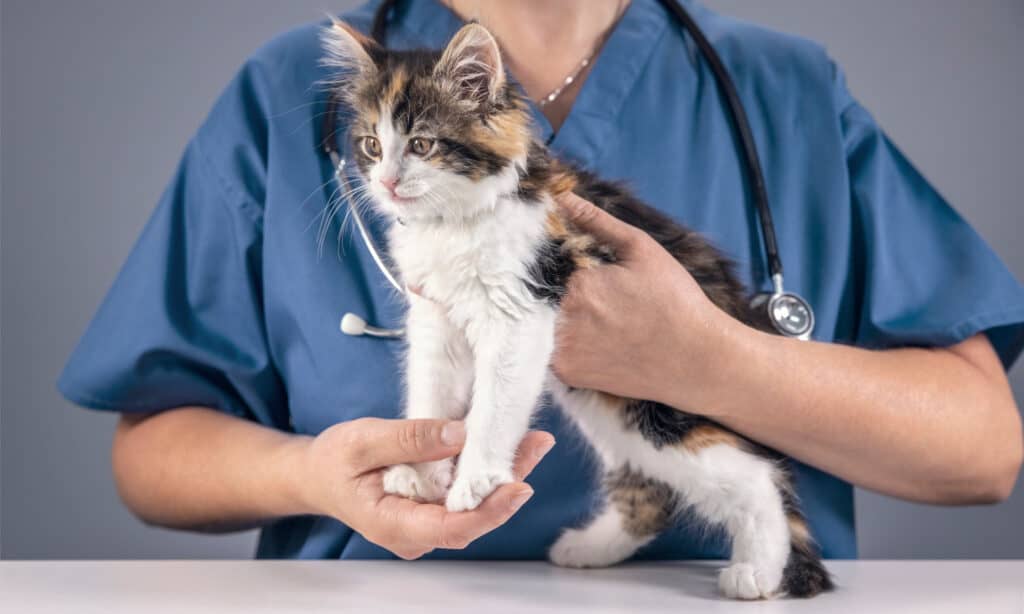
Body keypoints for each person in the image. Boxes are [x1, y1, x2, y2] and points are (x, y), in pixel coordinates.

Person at [59, 0, 1024, 561]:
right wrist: (308, 475)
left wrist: (710, 361)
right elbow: (150, 455)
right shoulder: (292, 93)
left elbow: (984, 453)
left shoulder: (785, 89)